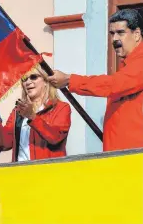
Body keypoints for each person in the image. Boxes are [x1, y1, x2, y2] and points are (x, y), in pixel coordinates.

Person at [48, 9, 143, 152]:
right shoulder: (127, 66)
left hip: (133, 159)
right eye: (112, 34)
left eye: (121, 33)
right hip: (122, 156)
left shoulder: (139, 63)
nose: (115, 39)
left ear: (136, 34)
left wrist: (69, 80)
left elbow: (113, 85)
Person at [0, 64, 71, 162]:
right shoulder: (18, 111)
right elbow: (5, 144)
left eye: (33, 77)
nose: (28, 82)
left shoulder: (61, 107)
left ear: (46, 81)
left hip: (47, 173)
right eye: (24, 79)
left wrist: (32, 116)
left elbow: (55, 138)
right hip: (20, 172)